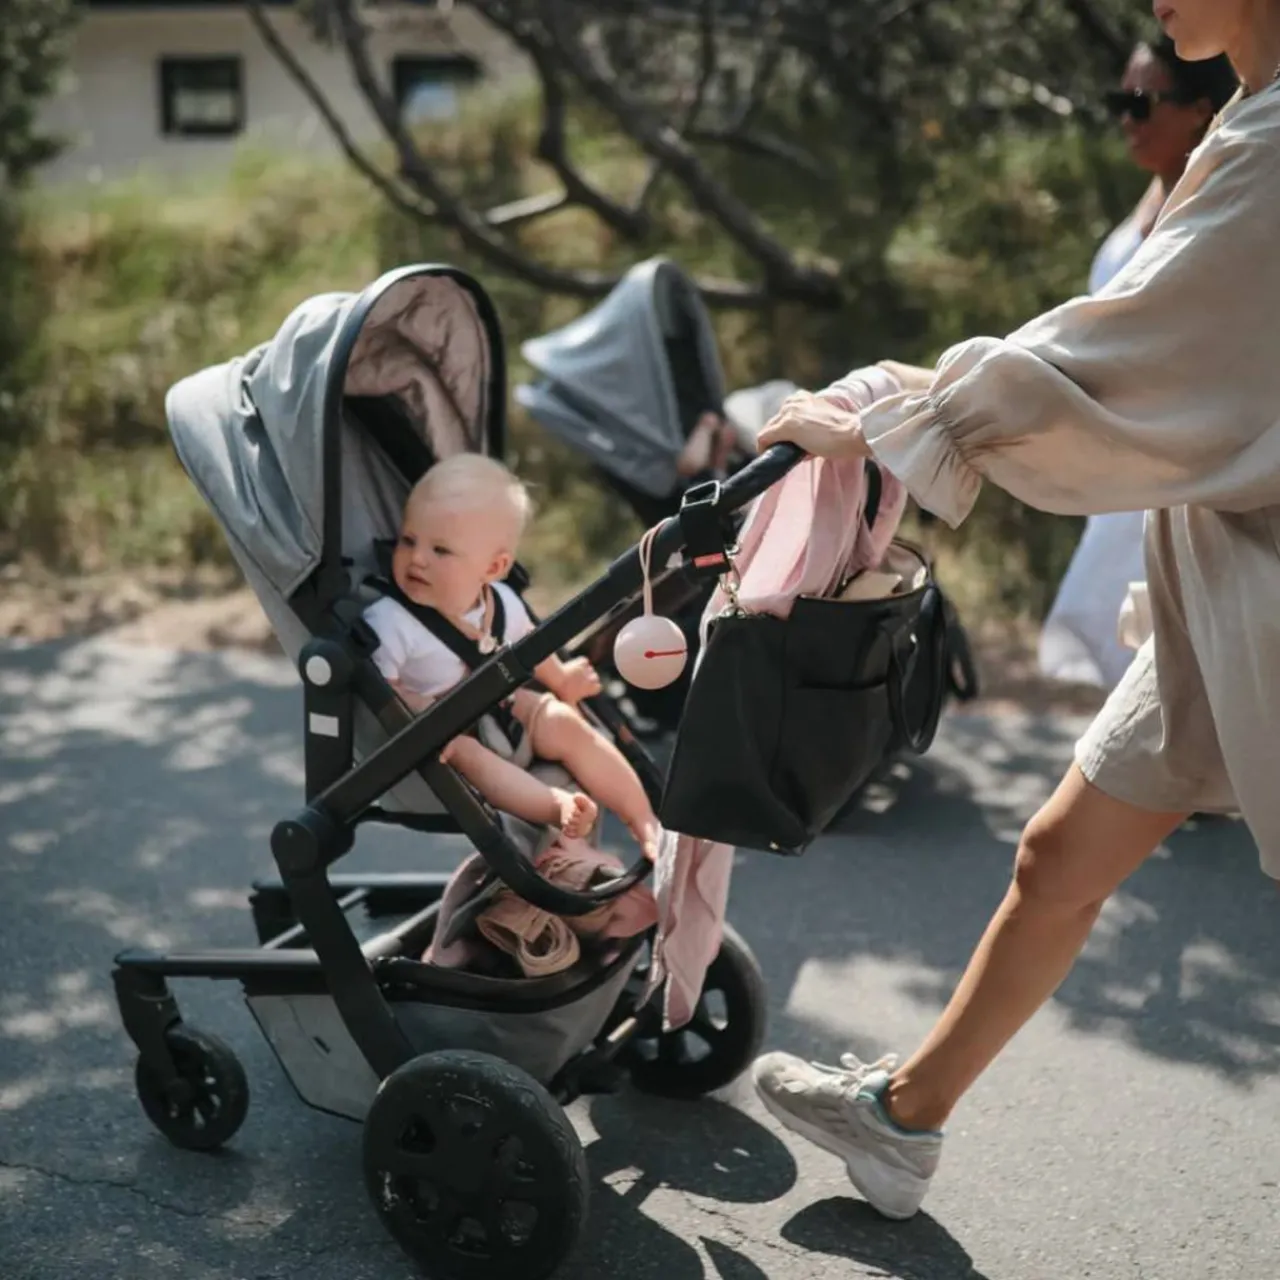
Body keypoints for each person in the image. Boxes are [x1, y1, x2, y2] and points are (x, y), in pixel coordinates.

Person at [748, 0, 1280, 1224]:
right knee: (1055, 856)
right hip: (1228, 579)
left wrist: (898, 420)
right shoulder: (1246, 117)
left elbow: (1126, 353)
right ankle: (901, 1119)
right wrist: (911, 402)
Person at [1038, 36, 1237, 690]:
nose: (1127, 118)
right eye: (1118, 101)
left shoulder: (1224, 211)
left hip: (1186, 486)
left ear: (1200, 109)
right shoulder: (1143, 210)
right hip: (1120, 489)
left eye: (1142, 102)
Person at [363, 453, 662, 857]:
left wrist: (561, 679)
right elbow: (380, 686)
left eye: (440, 550)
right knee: (468, 754)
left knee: (562, 720)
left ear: (493, 568)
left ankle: (643, 818)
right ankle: (556, 807)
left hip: (502, 707)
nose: (417, 558)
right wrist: (417, 709)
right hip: (448, 731)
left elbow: (531, 647)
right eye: (408, 540)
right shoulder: (391, 620)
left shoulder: (502, 603)